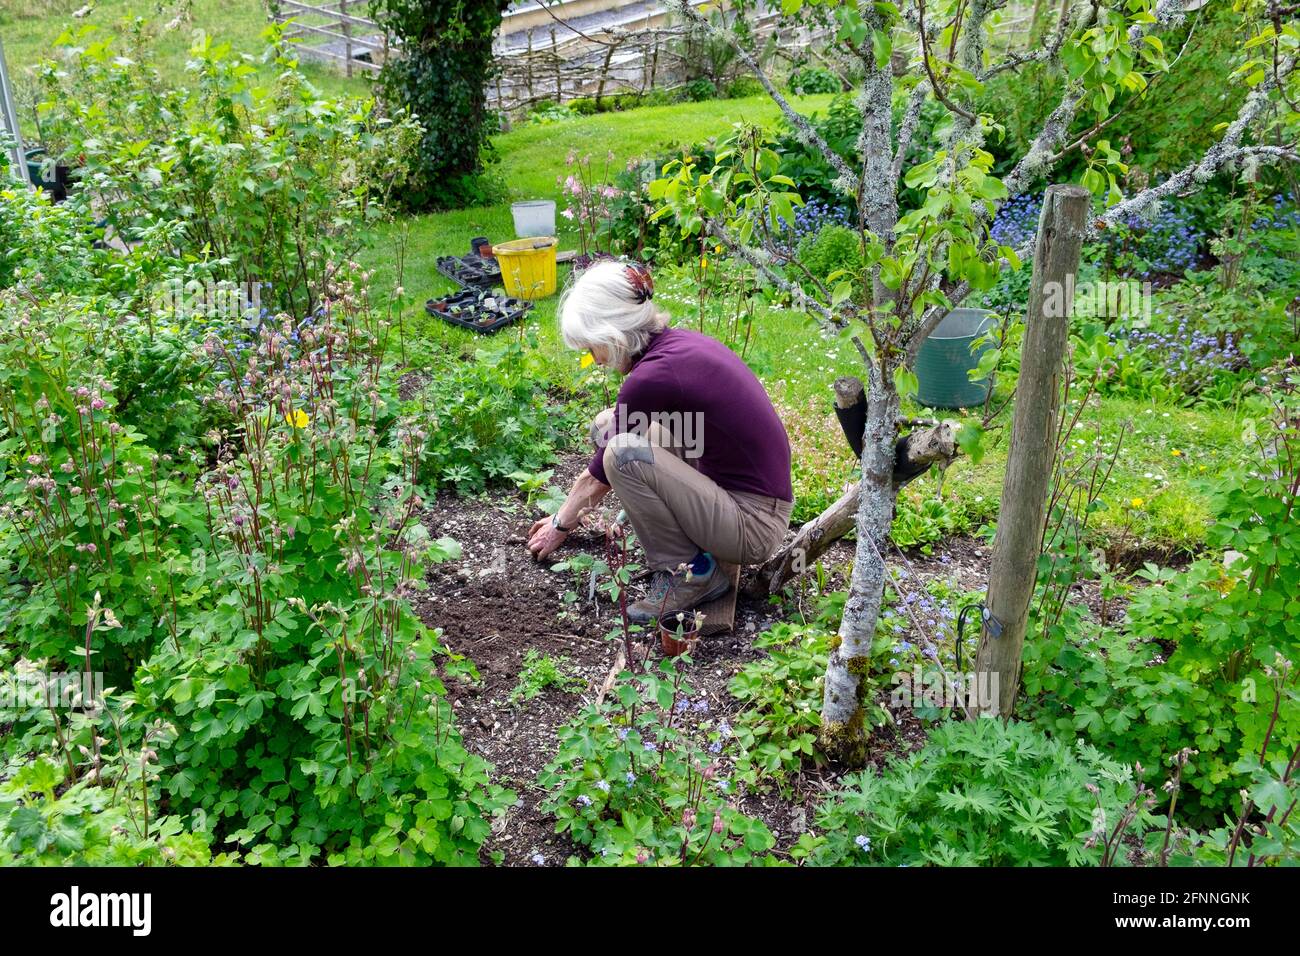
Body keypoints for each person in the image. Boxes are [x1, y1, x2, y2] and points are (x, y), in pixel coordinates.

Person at [526, 259, 794, 624]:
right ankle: (689, 546)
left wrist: (560, 525)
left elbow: (596, 477)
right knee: (608, 426)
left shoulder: (652, 376)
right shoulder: (677, 347)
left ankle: (691, 575)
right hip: (745, 496)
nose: (593, 358)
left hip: (753, 526)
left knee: (620, 454)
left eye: (592, 347)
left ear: (613, 333)